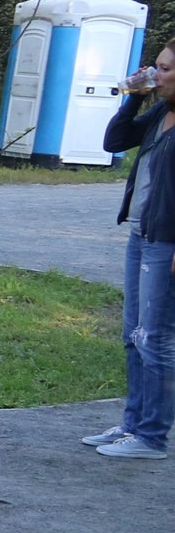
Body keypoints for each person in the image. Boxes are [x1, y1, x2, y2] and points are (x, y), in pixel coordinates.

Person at [95, 41, 175, 459]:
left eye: (165, 69)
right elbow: (115, 141)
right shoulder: (161, 112)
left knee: (156, 339)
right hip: (141, 234)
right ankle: (132, 425)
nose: (156, 75)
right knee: (134, 335)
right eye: (155, 67)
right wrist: (134, 97)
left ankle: (152, 437)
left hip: (167, 242)